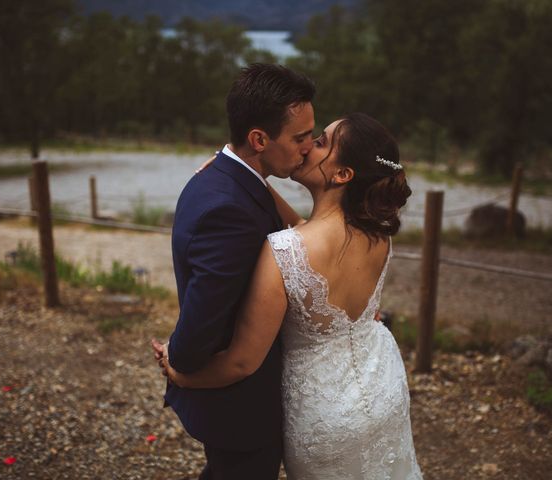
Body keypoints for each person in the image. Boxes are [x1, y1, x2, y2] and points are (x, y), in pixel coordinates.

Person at [157, 113, 423, 479]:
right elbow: (312, 230)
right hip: (382, 388)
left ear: (343, 175)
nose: (308, 146)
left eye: (322, 142)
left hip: (324, 413)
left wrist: (181, 376)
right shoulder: (378, 235)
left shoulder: (285, 251)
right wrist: (249, 179)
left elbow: (241, 363)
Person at [152, 63, 316, 480]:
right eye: (300, 137)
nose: (309, 147)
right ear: (259, 139)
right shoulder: (230, 210)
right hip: (243, 411)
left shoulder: (223, 179)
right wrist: (179, 363)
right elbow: (202, 318)